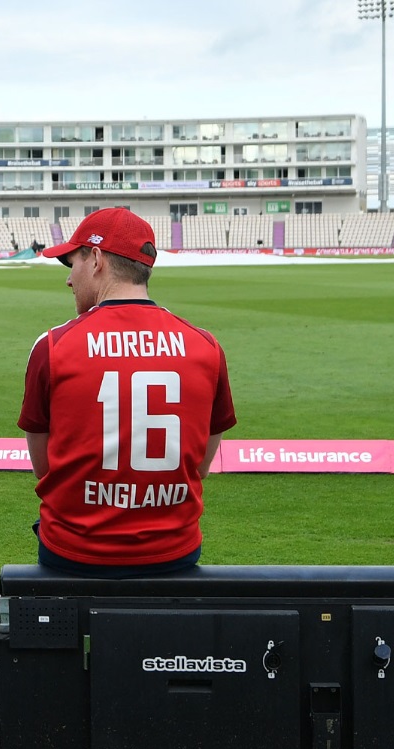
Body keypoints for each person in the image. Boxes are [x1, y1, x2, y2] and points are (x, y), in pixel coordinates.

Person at [18, 207, 236, 577]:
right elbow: (200, 466)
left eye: (72, 263)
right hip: (173, 552)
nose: (69, 280)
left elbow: (44, 469)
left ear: (97, 259)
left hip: (74, 553)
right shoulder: (206, 346)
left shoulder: (53, 345)